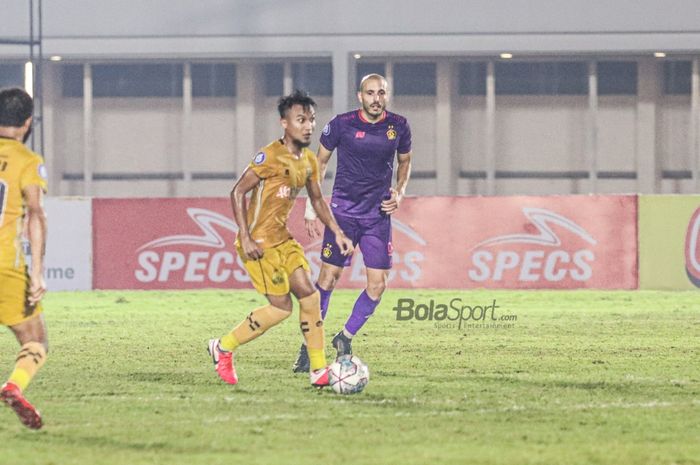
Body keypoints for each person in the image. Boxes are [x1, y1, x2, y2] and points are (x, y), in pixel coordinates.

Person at [208, 90, 353, 387]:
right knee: (281, 308)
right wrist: (245, 237)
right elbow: (237, 192)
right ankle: (223, 347)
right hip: (259, 245)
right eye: (301, 120)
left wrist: (337, 232)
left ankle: (318, 371)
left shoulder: (310, 161)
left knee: (310, 297)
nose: (308, 126)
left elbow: (318, 200)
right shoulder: (269, 156)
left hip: (284, 240)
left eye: (311, 120)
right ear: (284, 123)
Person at [293, 74, 412, 372]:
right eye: (370, 93)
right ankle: (311, 344)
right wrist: (311, 206)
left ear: (386, 95)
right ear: (360, 96)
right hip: (342, 214)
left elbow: (405, 162)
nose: (376, 98)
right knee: (327, 279)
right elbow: (318, 164)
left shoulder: (399, 125)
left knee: (378, 285)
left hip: (377, 216)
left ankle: (344, 337)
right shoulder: (341, 124)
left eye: (381, 93)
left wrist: (400, 192)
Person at [0, 87, 49, 429]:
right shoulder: (27, 162)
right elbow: (35, 215)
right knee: (36, 340)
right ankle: (14, 387)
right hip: (5, 265)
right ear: (28, 122)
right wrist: (39, 272)